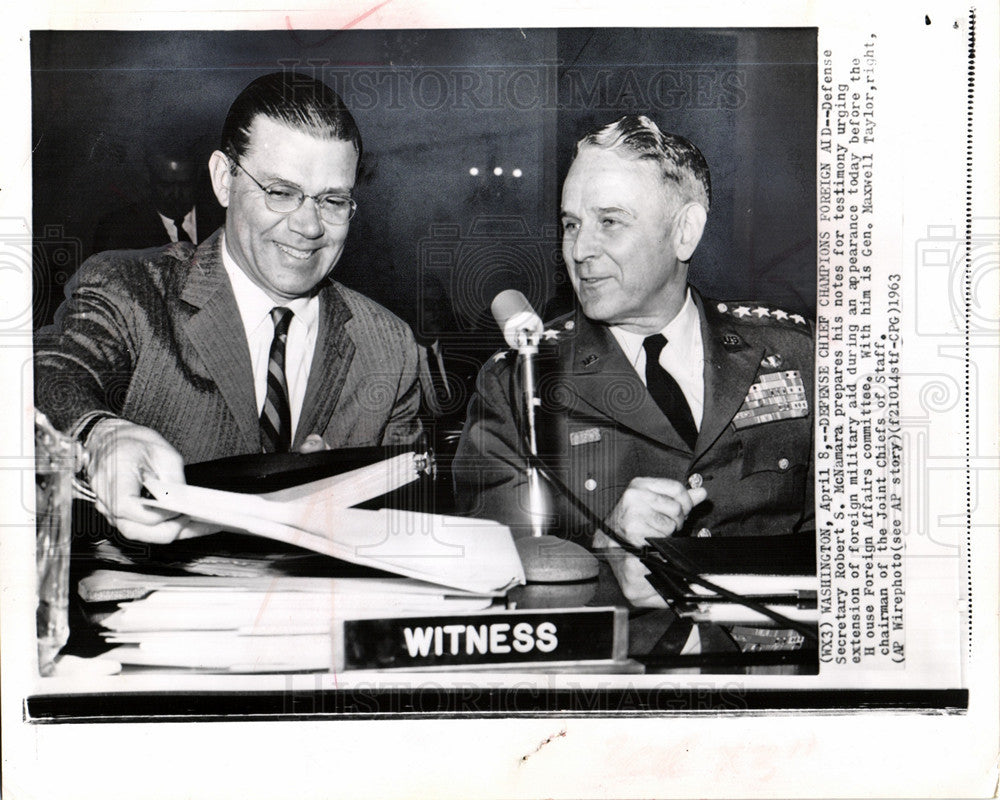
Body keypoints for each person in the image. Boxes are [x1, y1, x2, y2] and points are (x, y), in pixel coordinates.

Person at [35, 72, 423, 544]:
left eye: (333, 201)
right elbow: (46, 375)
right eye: (281, 192)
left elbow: (409, 522)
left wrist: (345, 497)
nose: (308, 226)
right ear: (224, 179)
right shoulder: (129, 289)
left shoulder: (391, 346)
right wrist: (101, 435)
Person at [453, 115, 814, 608]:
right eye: (571, 224)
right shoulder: (522, 385)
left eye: (610, 222)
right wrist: (604, 550)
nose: (579, 250)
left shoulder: (797, 355)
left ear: (685, 232)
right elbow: (491, 584)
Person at [91, 131, 223, 253]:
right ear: (149, 179)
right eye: (166, 184)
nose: (176, 194)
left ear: (198, 177)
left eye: (185, 184)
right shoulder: (118, 231)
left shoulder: (222, 219)